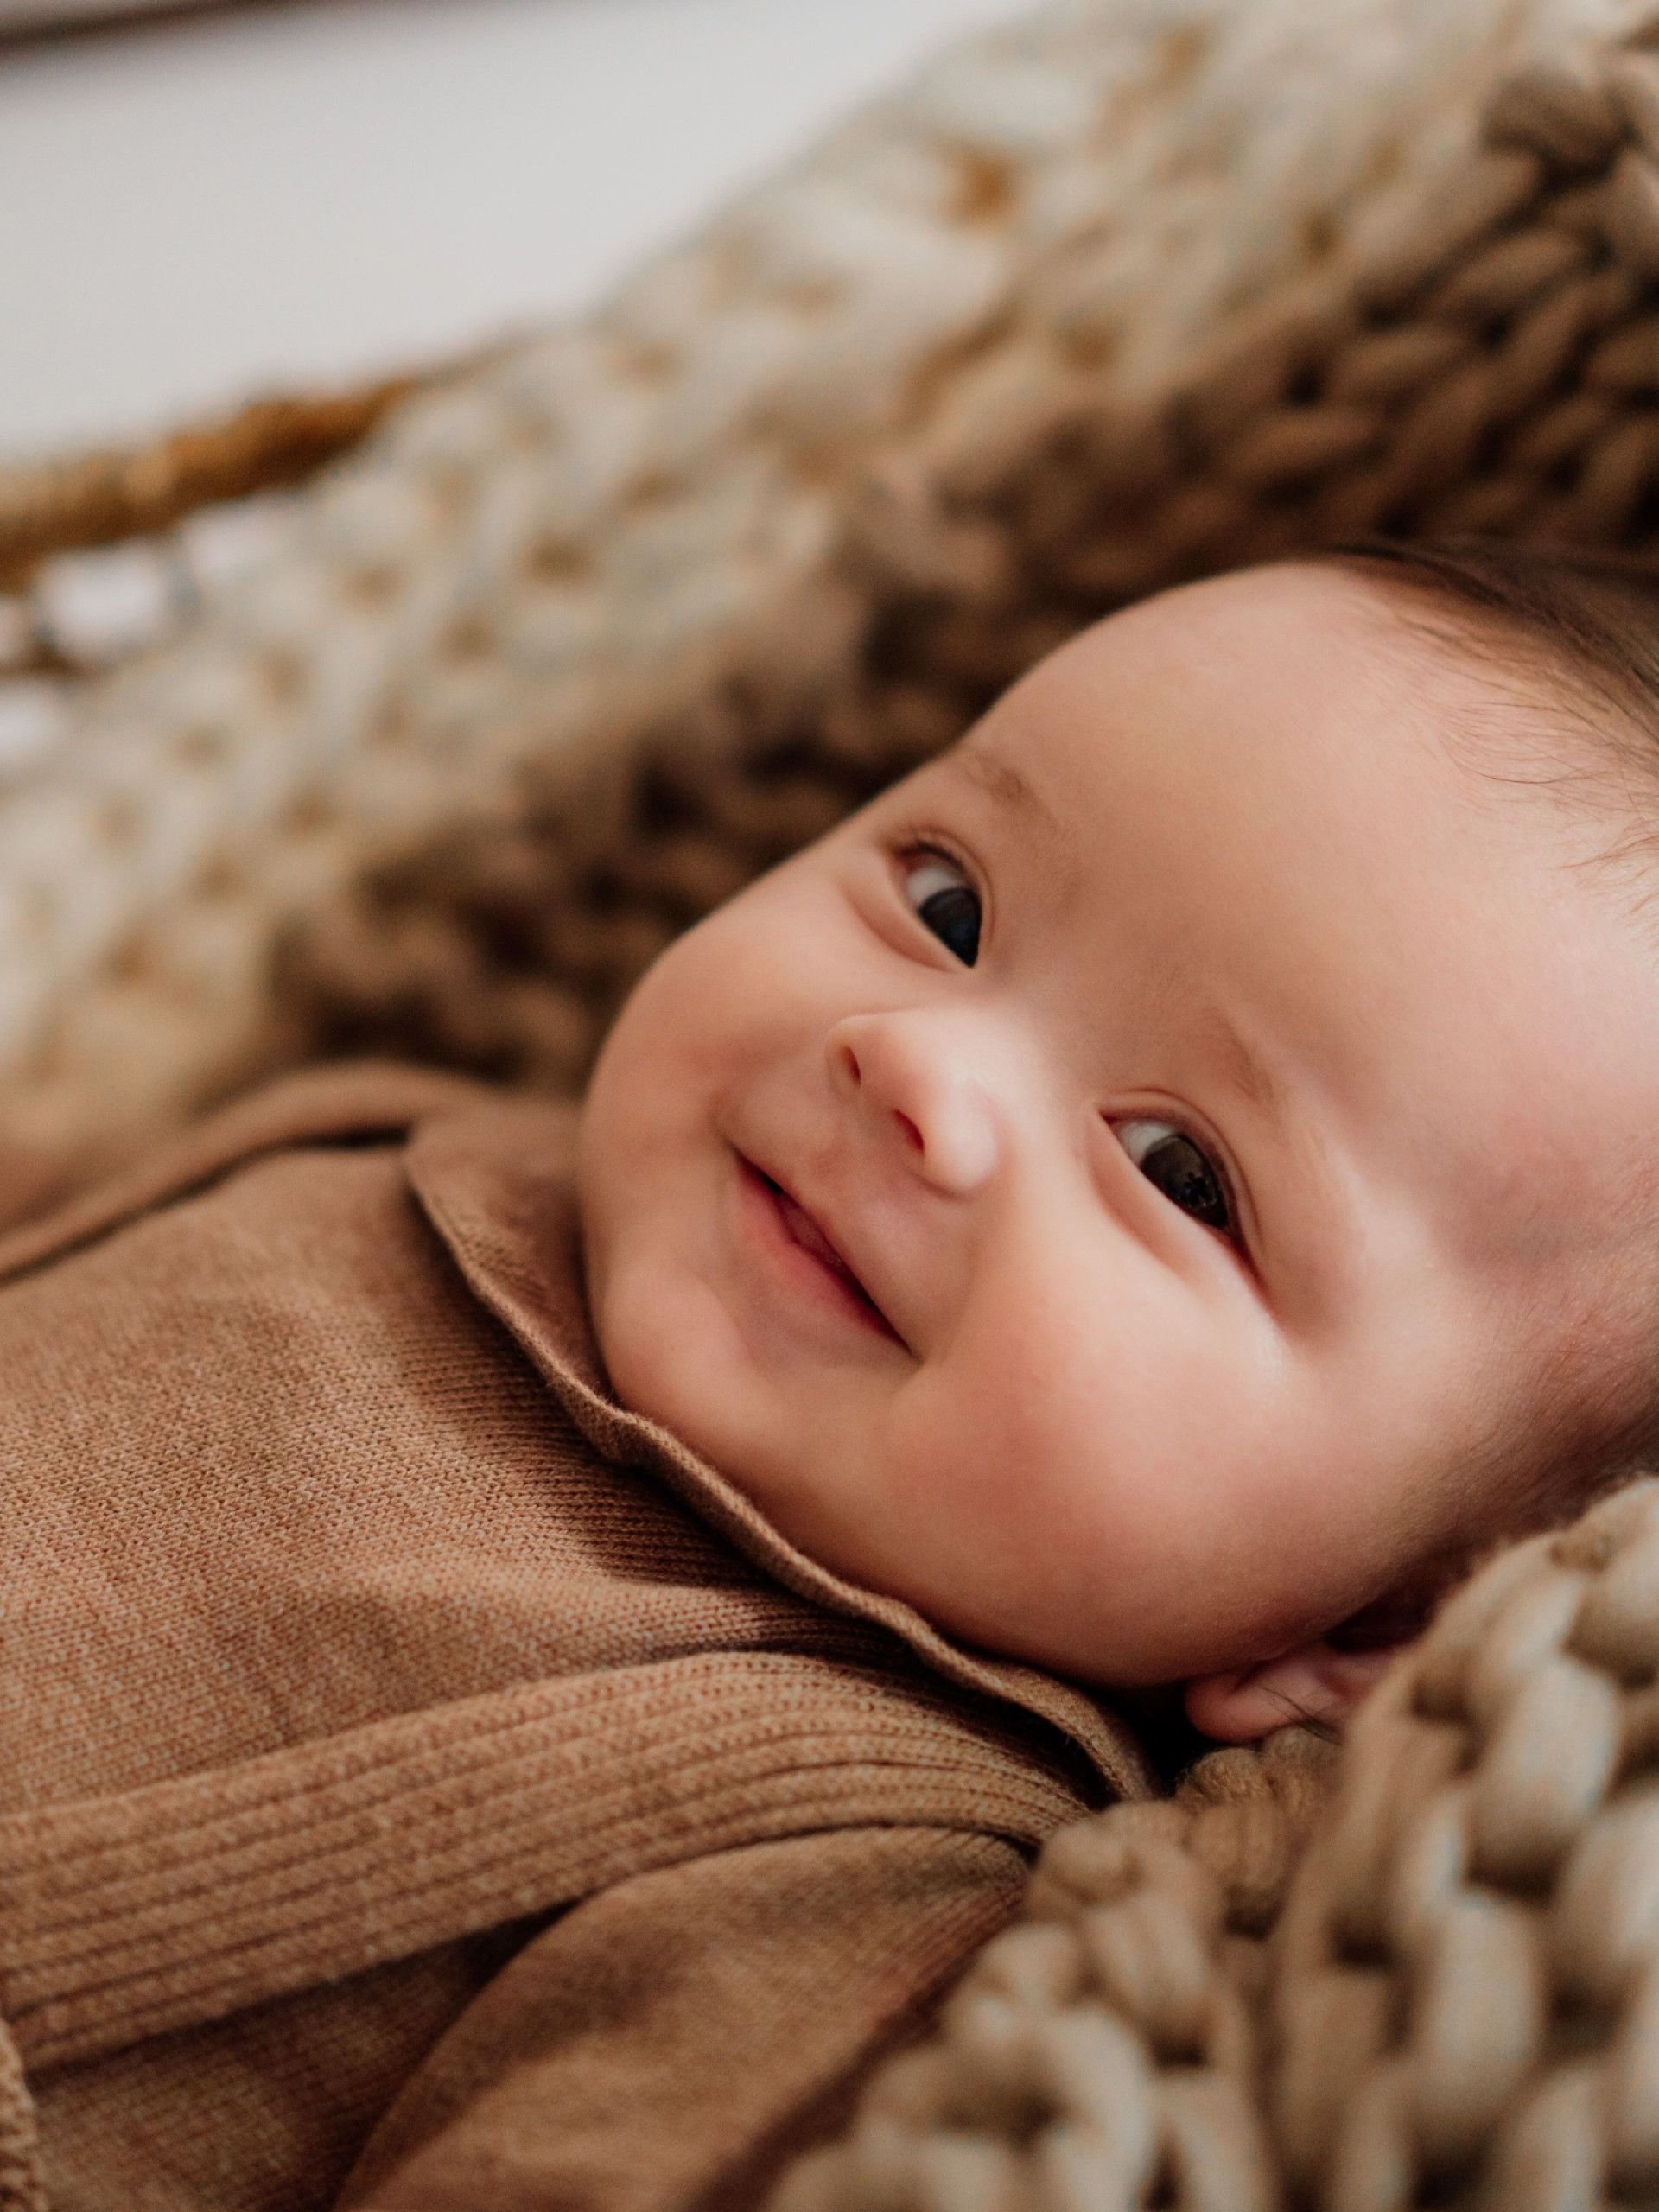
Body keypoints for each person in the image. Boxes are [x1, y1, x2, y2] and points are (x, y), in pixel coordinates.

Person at [3, 540, 1655, 2211]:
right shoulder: (436, 1134)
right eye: (947, 904)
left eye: (1180, 1174)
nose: (917, 1063)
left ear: (1370, 1627)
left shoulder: (870, 1879)